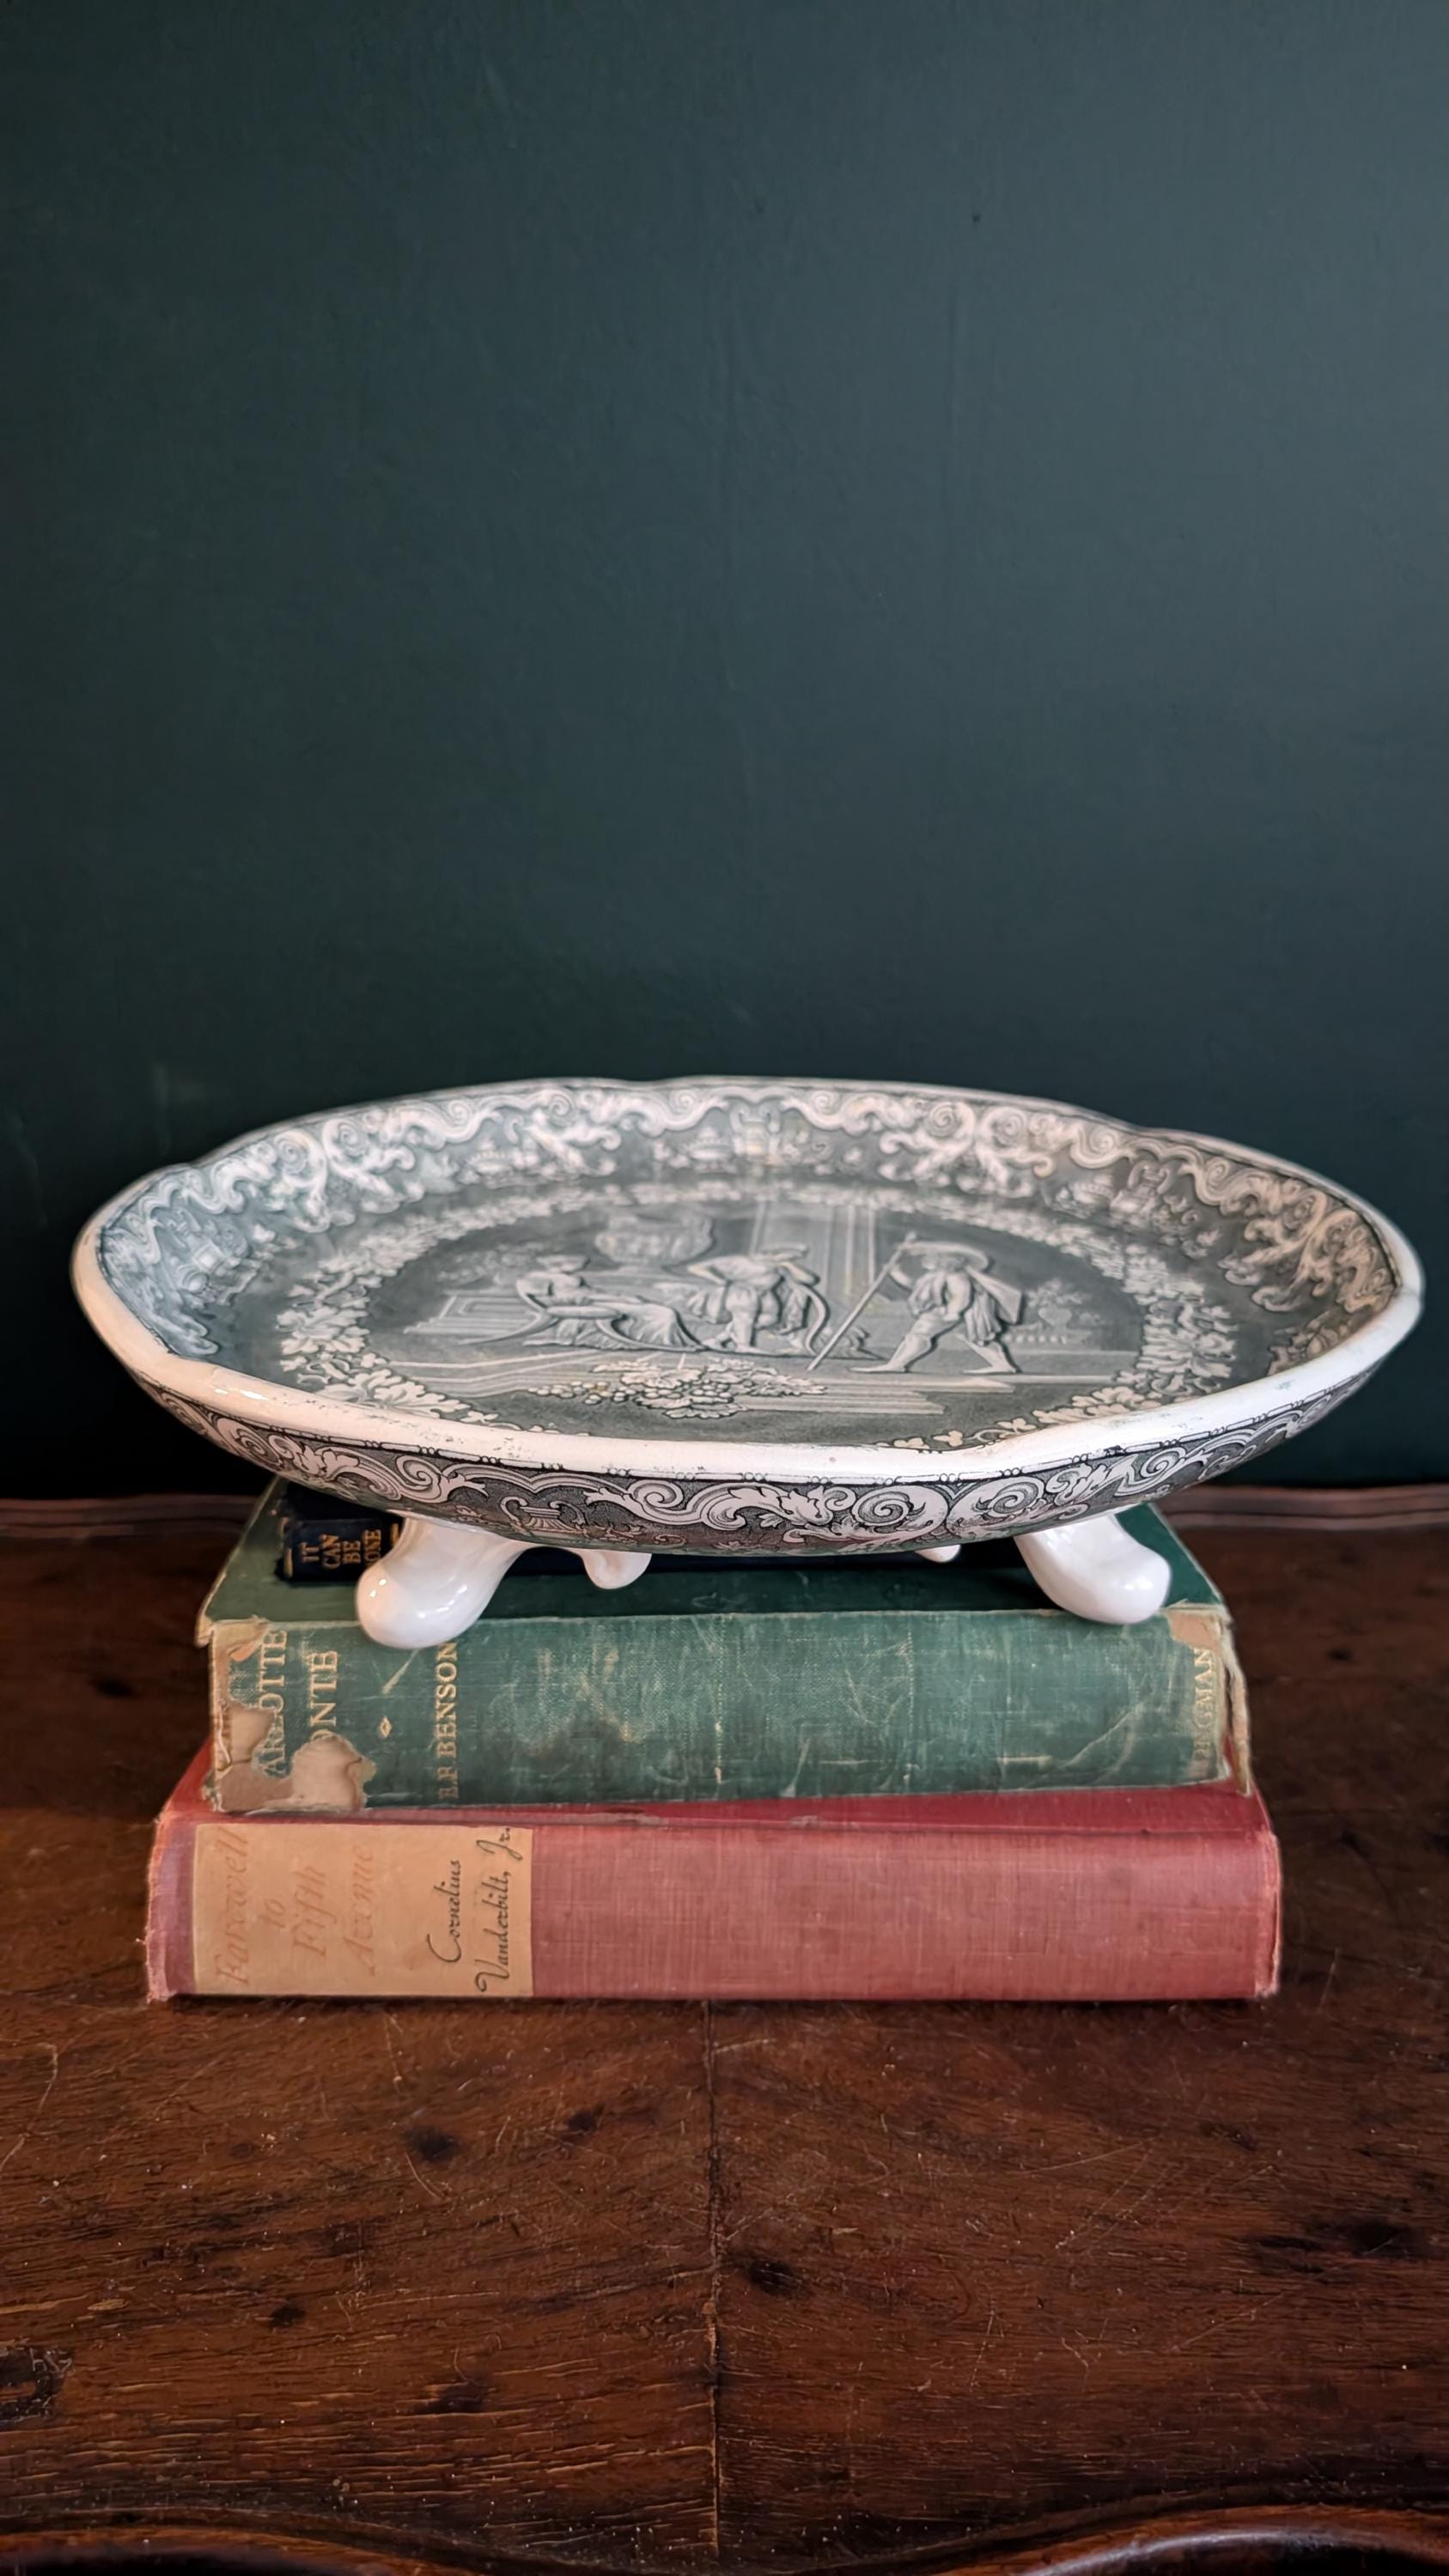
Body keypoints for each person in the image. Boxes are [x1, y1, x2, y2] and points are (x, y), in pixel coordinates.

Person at [874, 1242, 1023, 1374]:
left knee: (919, 1335)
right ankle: (1003, 1364)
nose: (929, 1259)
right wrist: (896, 1273)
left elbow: (961, 1296)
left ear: (951, 1260)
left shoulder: (956, 1276)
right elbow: (915, 1286)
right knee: (974, 1338)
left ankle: (898, 1363)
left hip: (948, 1312)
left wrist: (953, 1312)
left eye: (935, 1257)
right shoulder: (934, 1276)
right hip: (950, 1313)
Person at [686, 1249, 828, 1352]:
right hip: (742, 1292)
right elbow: (695, 1268)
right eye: (788, 1255)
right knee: (744, 1317)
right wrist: (718, 1280)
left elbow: (809, 1279)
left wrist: (788, 1265)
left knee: (769, 1319)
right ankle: (743, 1346)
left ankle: (717, 1340)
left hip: (764, 1295)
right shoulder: (739, 1261)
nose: (790, 1258)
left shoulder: (778, 1267)